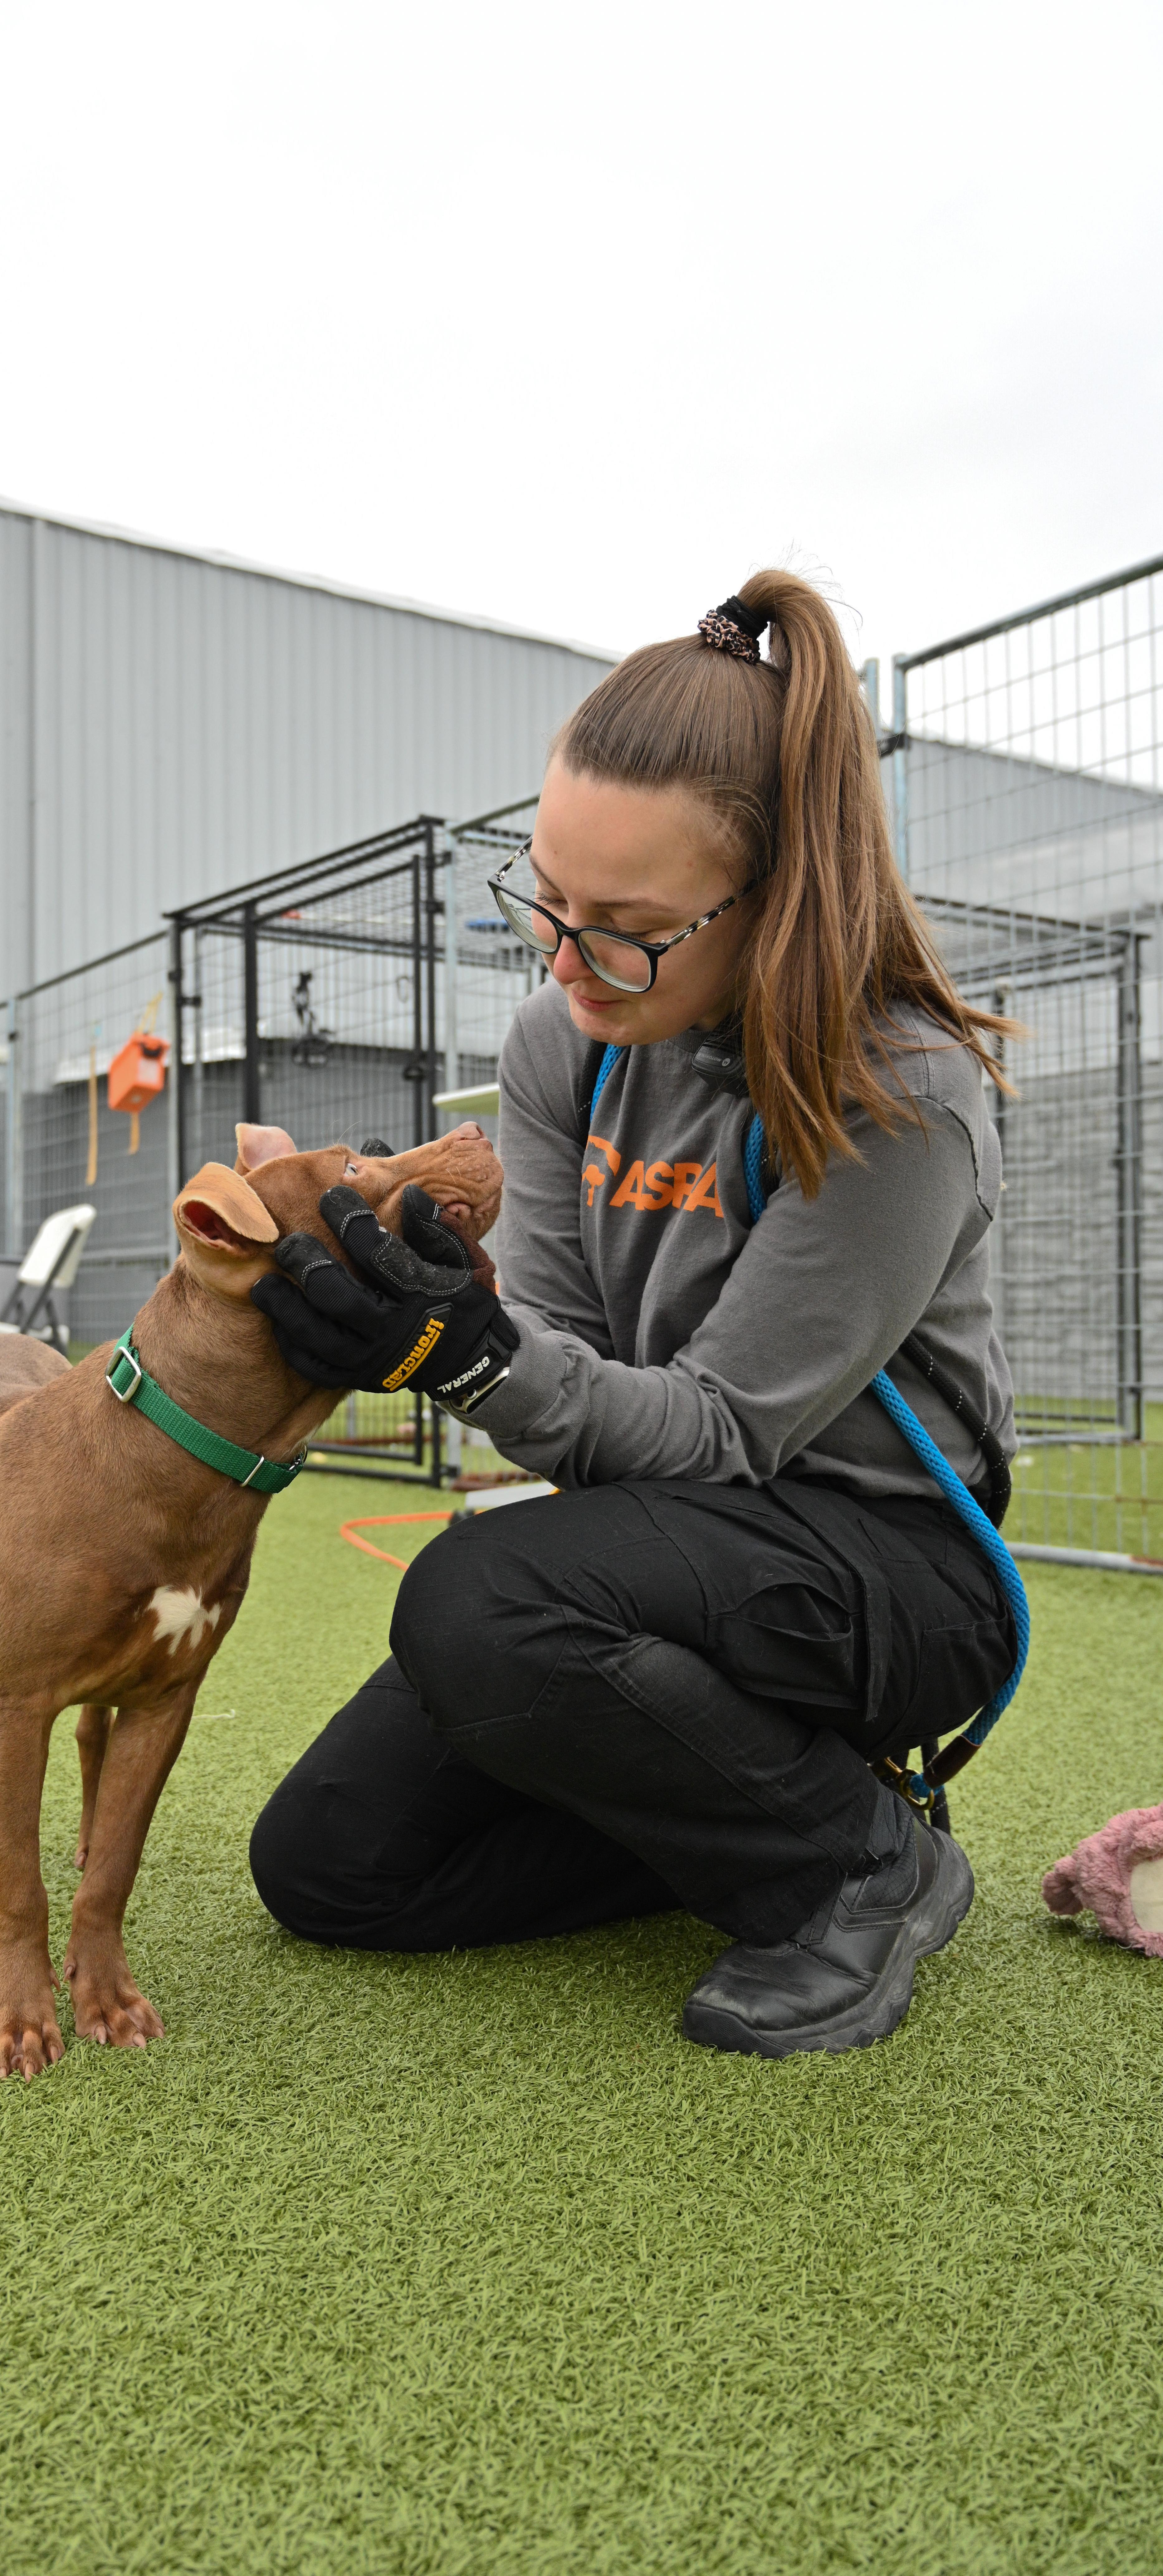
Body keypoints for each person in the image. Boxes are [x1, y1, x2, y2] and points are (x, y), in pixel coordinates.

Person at [246, 573, 1021, 2058]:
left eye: (629, 928)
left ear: (778, 893)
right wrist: (441, 1314)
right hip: (665, 1548)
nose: (563, 958)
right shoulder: (566, 1041)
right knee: (334, 1866)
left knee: (479, 1599)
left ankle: (861, 1862)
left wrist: (458, 1357)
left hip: (889, 1572)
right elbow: (554, 1346)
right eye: (547, 897)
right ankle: (770, 1800)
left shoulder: (898, 1091)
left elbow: (725, 1432)